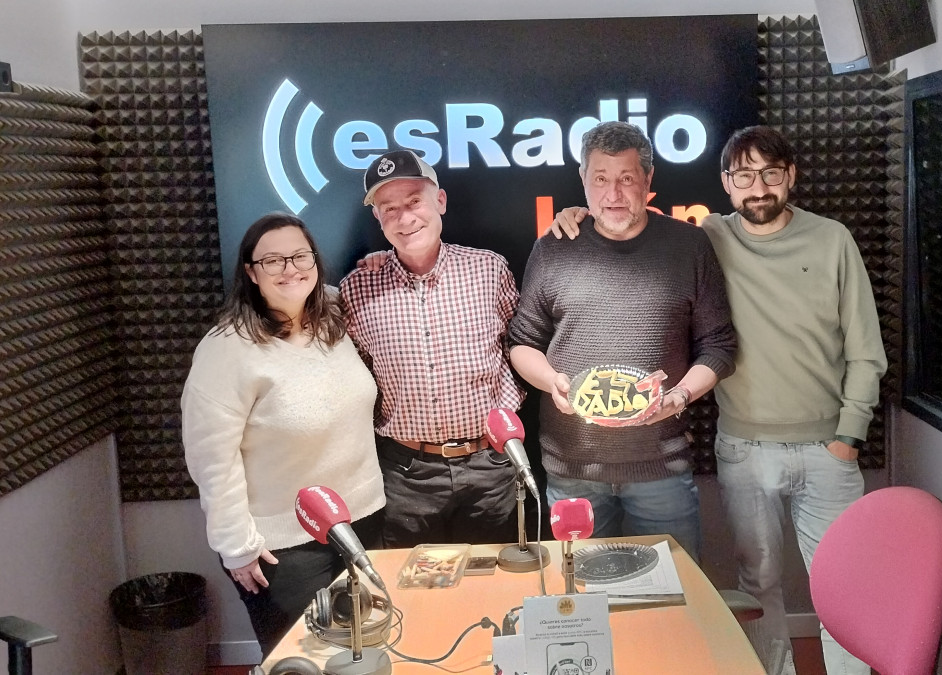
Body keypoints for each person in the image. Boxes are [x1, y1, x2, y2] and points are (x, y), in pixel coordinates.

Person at [548, 125, 887, 675]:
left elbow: (867, 351)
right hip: (744, 448)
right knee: (758, 585)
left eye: (771, 174)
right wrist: (579, 214)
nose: (758, 189)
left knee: (843, 589)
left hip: (829, 450)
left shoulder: (832, 239)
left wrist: (848, 437)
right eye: (744, 176)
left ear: (790, 177)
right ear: (726, 183)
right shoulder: (707, 236)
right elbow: (621, 216)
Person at [507, 121, 737, 562]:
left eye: (626, 179)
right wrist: (552, 381)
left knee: (673, 604)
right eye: (601, 179)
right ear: (583, 180)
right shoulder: (553, 247)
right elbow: (522, 342)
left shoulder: (689, 246)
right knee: (580, 604)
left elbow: (719, 345)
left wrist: (682, 395)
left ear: (648, 180)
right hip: (572, 471)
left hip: (662, 470)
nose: (613, 194)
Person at [181, 213, 386, 654]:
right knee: (308, 658)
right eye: (272, 260)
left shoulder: (333, 315)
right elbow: (211, 458)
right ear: (251, 273)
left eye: (299, 256)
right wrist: (236, 547)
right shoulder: (227, 348)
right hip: (286, 547)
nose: (289, 269)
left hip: (362, 519)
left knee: (369, 653)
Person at [340, 148, 524, 549]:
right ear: (378, 218)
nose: (404, 218)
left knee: (496, 582)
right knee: (414, 593)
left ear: (439, 201)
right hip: (406, 474)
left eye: (414, 202)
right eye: (389, 208)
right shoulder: (356, 288)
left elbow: (521, 346)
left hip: (490, 466)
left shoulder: (489, 269)